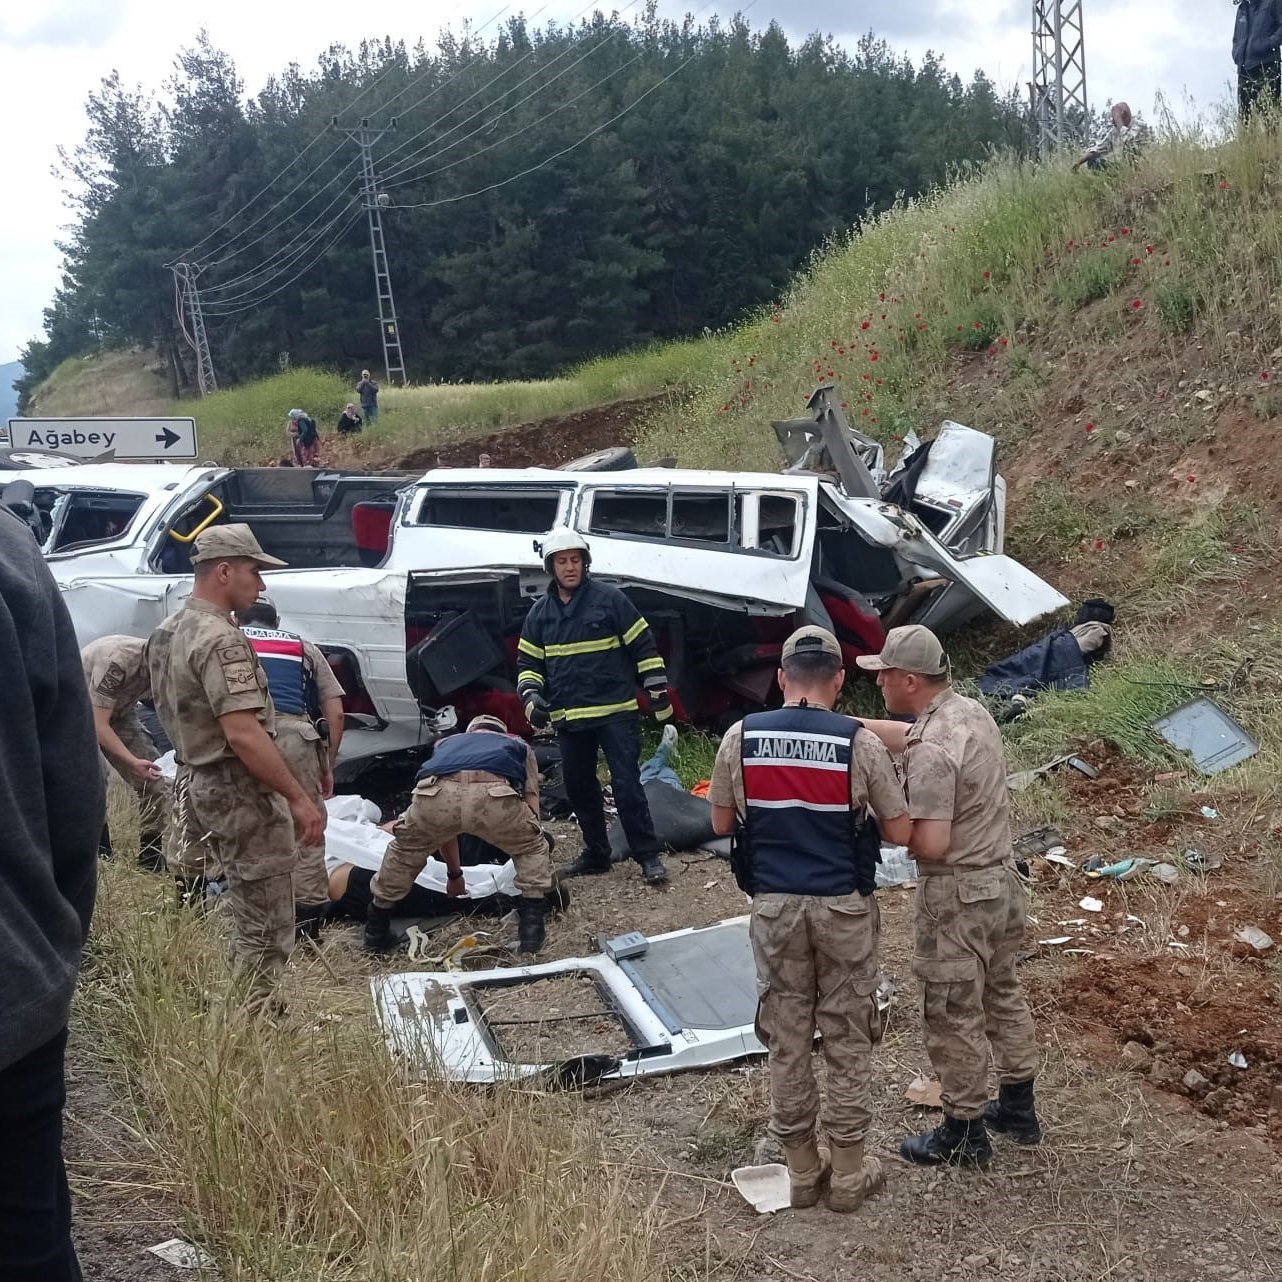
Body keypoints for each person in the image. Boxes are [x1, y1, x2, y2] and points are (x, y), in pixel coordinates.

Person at [708, 627, 911, 1213]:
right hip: (843, 907)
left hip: (774, 906)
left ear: (781, 677)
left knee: (787, 1036)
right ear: (839, 680)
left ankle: (801, 1171)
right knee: (848, 1036)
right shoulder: (858, 742)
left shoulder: (741, 737)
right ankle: (847, 1174)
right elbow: (899, 831)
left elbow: (720, 823)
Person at [854, 625, 1041, 1167]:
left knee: (951, 1011)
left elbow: (930, 841)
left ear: (909, 680)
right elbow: (909, 735)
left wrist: (879, 820)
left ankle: (964, 1132)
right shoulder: (968, 713)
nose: (879, 682)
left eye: (885, 674)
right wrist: (853, 729)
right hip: (1000, 883)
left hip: (957, 894)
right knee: (1001, 992)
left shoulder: (932, 750)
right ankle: (1018, 1108)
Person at [146, 524, 326, 1014]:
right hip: (237, 788)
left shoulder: (167, 631)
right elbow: (244, 733)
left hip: (195, 778)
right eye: (254, 571)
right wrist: (298, 797)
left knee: (244, 909)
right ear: (224, 571)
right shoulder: (221, 639)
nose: (261, 585)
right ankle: (249, 1022)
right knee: (266, 922)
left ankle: (246, 1009)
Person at [0, 503, 101, 1281]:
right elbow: (73, 796)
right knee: (28, 1246)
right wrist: (52, 944)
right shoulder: (9, 549)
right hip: (12, 992)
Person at [516, 529, 673, 886]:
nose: (569, 567)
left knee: (627, 786)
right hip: (570, 718)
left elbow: (643, 645)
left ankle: (647, 856)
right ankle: (597, 854)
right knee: (579, 787)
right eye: (562, 561)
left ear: (585, 563)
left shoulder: (611, 600)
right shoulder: (540, 614)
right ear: (551, 567)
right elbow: (528, 664)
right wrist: (531, 697)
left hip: (615, 713)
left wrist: (656, 687)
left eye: (575, 560)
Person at [363, 715, 555, 954]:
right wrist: (532, 834)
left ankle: (376, 931)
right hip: (493, 792)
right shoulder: (517, 743)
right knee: (531, 847)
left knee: (404, 853)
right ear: (501, 732)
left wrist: (454, 875)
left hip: (434, 796)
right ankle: (532, 933)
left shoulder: (447, 743)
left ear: (470, 731)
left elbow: (446, 831)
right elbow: (531, 796)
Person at [237, 598, 346, 941]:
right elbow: (335, 711)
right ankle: (307, 930)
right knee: (307, 831)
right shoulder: (302, 647)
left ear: (238, 618)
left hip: (240, 735)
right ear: (277, 620)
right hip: (294, 738)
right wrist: (327, 763)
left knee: (241, 823)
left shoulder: (226, 640)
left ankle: (244, 918)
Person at [80, 634, 167, 869]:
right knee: (94, 779)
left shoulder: (167, 667)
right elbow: (98, 725)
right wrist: (131, 761)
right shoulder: (117, 661)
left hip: (120, 714)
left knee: (155, 778)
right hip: (80, 716)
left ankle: (150, 855)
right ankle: (101, 853)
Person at [1233, 0, 1282, 117]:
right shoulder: (1242, 8)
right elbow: (1237, 37)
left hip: (1267, 65)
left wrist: (1269, 44)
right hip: (1244, 69)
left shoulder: (1273, 2)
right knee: (1244, 117)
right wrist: (1236, 53)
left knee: (1269, 114)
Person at [1072, 102, 1151, 171]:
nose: (1112, 120)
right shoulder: (1114, 131)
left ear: (1123, 114)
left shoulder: (1140, 126)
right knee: (1093, 162)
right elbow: (1099, 148)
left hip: (1139, 166)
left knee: (1130, 151)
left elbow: (1129, 142)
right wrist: (1079, 162)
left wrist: (1119, 121)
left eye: (1114, 117)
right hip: (1122, 167)